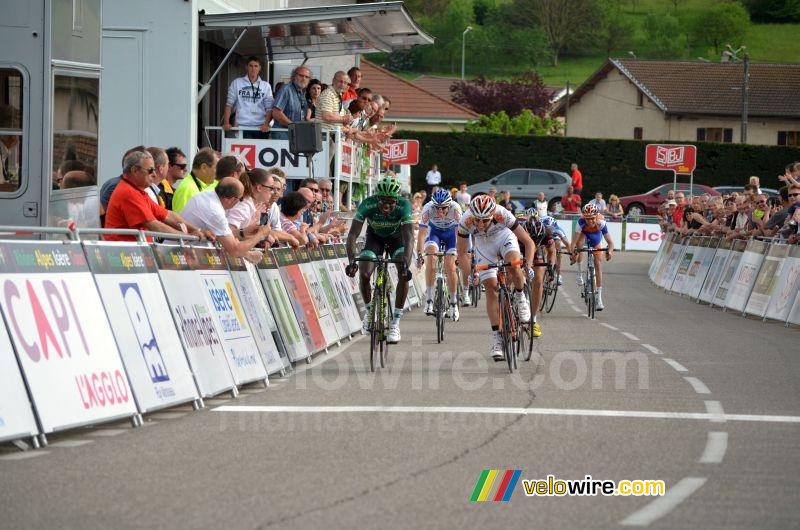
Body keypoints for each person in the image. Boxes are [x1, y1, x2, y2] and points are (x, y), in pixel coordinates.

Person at [456, 195, 534, 362]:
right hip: (484, 245)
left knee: (514, 264)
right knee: (491, 289)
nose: (481, 224)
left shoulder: (503, 214)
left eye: (485, 220)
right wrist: (471, 274)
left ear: (493, 215)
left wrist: (528, 265)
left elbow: (528, 242)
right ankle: (497, 339)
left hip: (504, 237)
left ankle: (521, 298)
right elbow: (462, 254)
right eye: (478, 220)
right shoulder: (465, 220)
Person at [344, 177, 415, 344]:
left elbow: (409, 237)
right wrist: (352, 260)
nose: (386, 205)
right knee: (365, 274)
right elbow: (353, 234)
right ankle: (369, 313)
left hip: (397, 239)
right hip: (374, 239)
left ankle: (395, 323)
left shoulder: (404, 205)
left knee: (403, 273)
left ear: (397, 200)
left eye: (391, 201)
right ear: (377, 198)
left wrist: (406, 264)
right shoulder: (368, 204)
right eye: (383, 200)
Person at [103, 150, 208, 242]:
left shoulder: (138, 191)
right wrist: (188, 236)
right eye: (150, 170)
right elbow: (156, 226)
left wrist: (196, 230)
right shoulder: (129, 192)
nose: (154, 174)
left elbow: (168, 215)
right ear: (134, 170)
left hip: (134, 254)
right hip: (124, 256)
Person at [179, 177, 270, 263]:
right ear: (233, 199)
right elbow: (234, 250)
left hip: (183, 250)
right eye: (241, 199)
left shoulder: (207, 195)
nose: (241, 202)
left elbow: (223, 235)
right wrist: (260, 234)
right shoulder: (215, 211)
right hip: (181, 255)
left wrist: (243, 232)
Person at [416, 188, 464, 321]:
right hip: (435, 233)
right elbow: (421, 234)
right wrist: (419, 255)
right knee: (430, 259)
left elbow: (459, 234)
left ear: (449, 205)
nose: (440, 211)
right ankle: (430, 300)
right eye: (437, 208)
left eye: (443, 208)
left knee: (450, 266)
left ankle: (454, 304)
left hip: (451, 236)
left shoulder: (456, 209)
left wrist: (460, 254)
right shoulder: (427, 208)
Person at [571, 204, 614, 311]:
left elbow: (611, 243)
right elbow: (573, 243)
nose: (590, 221)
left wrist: (610, 251)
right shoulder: (580, 222)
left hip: (595, 235)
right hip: (583, 233)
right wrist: (573, 253)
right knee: (579, 246)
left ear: (596, 216)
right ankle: (580, 272)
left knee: (598, 264)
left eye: (592, 218)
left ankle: (599, 298)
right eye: (587, 219)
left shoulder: (601, 222)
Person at [520, 212, 555, 337]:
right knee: (517, 276)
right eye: (532, 238)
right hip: (520, 248)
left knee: (538, 281)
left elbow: (552, 251)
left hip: (537, 252)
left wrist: (551, 269)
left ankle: (533, 320)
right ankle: (516, 298)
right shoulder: (517, 232)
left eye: (537, 238)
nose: (534, 241)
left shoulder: (546, 232)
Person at [222, 56, 273, 139]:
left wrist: (266, 124)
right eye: (251, 66)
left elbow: (269, 108)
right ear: (246, 67)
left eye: (256, 66)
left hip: (260, 128)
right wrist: (226, 123)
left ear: (259, 68)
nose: (253, 69)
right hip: (241, 127)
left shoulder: (266, 86)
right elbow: (229, 105)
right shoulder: (237, 83)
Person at [171, 148, 222, 213]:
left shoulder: (198, 185)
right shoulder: (187, 188)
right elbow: (181, 221)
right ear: (204, 167)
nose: (218, 173)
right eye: (217, 168)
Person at [272, 66, 311, 139]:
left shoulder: (303, 92)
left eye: (307, 77)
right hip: (283, 134)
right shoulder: (286, 89)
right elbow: (276, 112)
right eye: (301, 75)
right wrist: (292, 125)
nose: (304, 79)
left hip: (296, 134)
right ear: (294, 76)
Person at [539, 213, 572, 285]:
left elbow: (567, 244)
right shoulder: (540, 226)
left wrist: (571, 255)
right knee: (542, 247)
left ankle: (559, 274)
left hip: (554, 234)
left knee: (558, 246)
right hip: (543, 233)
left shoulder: (558, 230)